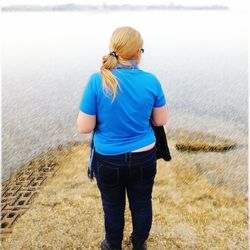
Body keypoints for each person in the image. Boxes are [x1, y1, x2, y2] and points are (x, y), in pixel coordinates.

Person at [76, 26, 168, 250]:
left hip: (107, 159)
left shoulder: (97, 80)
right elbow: (160, 121)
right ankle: (139, 243)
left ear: (113, 50)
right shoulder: (151, 80)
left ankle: (112, 244)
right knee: (142, 204)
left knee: (112, 206)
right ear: (138, 52)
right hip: (144, 156)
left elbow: (84, 127)